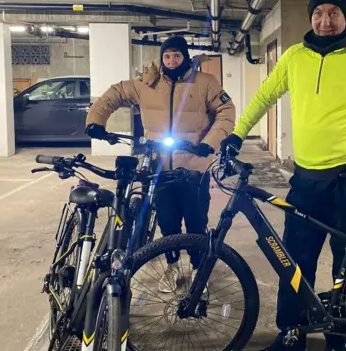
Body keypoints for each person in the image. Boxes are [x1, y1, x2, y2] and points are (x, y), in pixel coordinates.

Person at [220, 0, 346, 349]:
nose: (326, 21)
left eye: (334, 12)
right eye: (319, 13)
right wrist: (236, 135)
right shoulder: (294, 57)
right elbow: (264, 95)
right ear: (310, 17)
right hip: (306, 179)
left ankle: (338, 335)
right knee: (295, 261)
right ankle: (292, 331)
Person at [85, 36, 235, 292]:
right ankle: (173, 266)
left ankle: (199, 270)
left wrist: (210, 143)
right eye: (167, 56)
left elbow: (226, 111)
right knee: (167, 220)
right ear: (161, 57)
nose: (172, 61)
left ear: (185, 57)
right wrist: (96, 120)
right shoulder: (147, 83)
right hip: (159, 166)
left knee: (196, 221)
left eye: (177, 56)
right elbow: (115, 93)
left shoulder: (205, 83)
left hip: (194, 165)